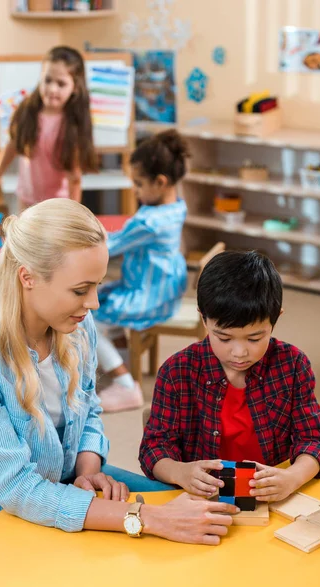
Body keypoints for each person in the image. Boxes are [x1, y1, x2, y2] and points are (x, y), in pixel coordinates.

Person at [0, 198, 238, 550]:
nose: (95, 303)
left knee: (200, 511)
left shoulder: (78, 328)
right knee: (152, 534)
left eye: (97, 285)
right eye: (80, 289)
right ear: (28, 277)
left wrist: (89, 471)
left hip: (64, 480)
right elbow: (18, 491)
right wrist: (146, 518)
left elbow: (89, 413)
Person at [139, 250, 320, 502]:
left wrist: (292, 477)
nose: (239, 353)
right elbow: (154, 448)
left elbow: (313, 438)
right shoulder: (177, 371)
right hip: (201, 500)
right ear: (203, 318)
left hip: (272, 498)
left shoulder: (293, 365)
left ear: (276, 320)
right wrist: (180, 472)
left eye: (255, 338)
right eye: (224, 337)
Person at [95, 129, 189, 413]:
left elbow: (109, 247)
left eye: (138, 184)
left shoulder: (149, 222)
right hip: (165, 289)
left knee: (86, 315)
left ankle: (125, 384)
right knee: (102, 301)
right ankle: (124, 364)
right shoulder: (176, 207)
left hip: (149, 296)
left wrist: (93, 233)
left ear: (160, 183)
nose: (134, 191)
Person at [0, 46, 97, 209]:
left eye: (61, 84)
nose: (52, 89)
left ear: (75, 87)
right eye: (47, 80)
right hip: (26, 199)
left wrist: (73, 212)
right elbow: (13, 145)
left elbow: (74, 178)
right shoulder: (28, 111)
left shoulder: (72, 125)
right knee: (25, 235)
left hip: (58, 204)